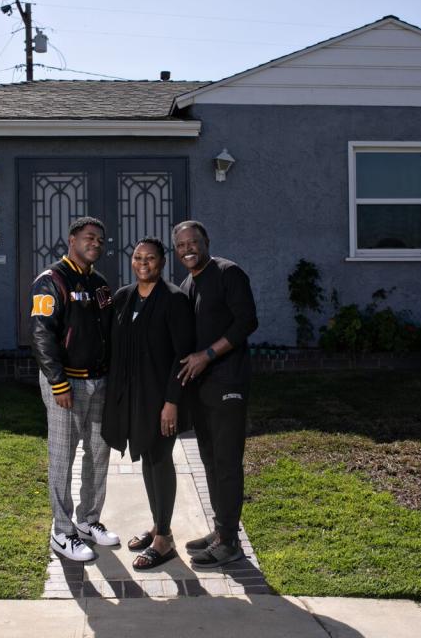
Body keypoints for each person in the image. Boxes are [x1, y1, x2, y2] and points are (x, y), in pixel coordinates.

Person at [102, 237, 195, 570]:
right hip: (134, 396)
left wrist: (172, 402)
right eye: (138, 257)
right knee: (146, 455)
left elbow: (183, 356)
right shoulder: (123, 297)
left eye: (151, 258)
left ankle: (165, 538)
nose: (143, 263)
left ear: (162, 262)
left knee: (160, 458)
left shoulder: (174, 300)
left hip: (162, 396)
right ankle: (158, 524)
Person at [30, 216, 120, 561]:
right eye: (88, 237)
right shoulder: (51, 280)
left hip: (99, 381)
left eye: (100, 239)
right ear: (71, 240)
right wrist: (58, 382)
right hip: (66, 383)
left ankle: (89, 521)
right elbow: (41, 335)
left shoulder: (100, 284)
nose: (95, 243)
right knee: (63, 455)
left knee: (98, 453)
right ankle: (63, 531)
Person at [173, 220, 258, 568]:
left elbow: (246, 322)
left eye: (193, 242)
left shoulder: (228, 273)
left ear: (206, 241)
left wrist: (207, 355)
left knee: (225, 461)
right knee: (209, 459)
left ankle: (229, 543)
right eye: (181, 245)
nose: (188, 248)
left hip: (227, 382)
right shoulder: (188, 283)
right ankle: (223, 529)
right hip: (201, 388)